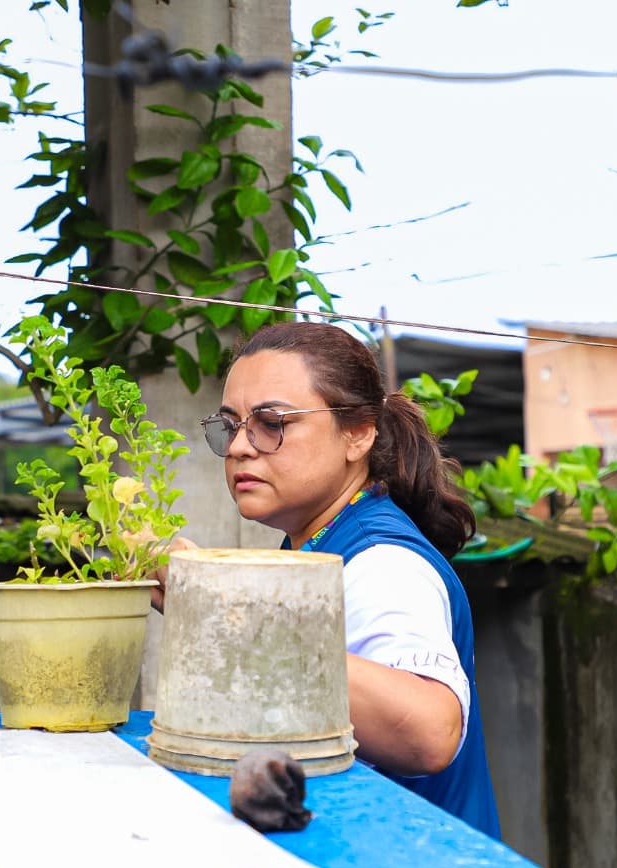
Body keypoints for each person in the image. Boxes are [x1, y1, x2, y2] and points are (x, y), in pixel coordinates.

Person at [159, 320, 501, 840]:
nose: (239, 449)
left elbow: (429, 732)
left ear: (359, 433)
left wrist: (221, 606)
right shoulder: (317, 539)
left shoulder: (384, 565)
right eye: (230, 426)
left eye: (272, 422)